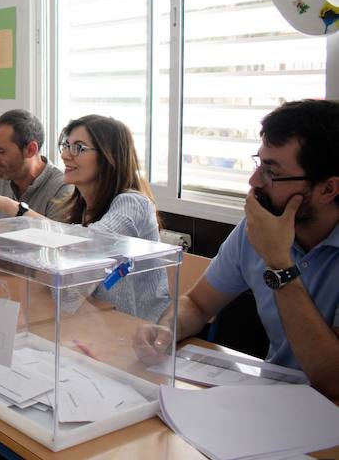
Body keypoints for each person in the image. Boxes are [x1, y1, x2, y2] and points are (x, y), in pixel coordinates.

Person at [134, 99, 339, 397]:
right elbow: (198, 304)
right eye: (259, 164)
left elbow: (332, 381)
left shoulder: (267, 237)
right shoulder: (255, 229)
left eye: (273, 172)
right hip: (276, 400)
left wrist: (279, 262)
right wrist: (167, 329)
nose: (254, 181)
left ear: (327, 189)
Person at [0, 114, 170, 321]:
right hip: (102, 322)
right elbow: (66, 273)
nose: (66, 155)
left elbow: (84, 243)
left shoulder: (133, 203)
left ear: (108, 157)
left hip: (142, 329)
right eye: (66, 145)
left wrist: (7, 205)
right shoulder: (82, 207)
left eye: (78, 148)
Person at [0, 110, 72, 220]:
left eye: (0, 151)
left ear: (30, 150)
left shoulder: (62, 187)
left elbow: (59, 235)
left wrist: (6, 205)